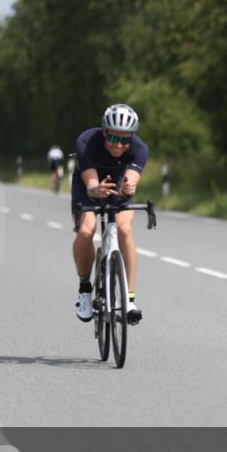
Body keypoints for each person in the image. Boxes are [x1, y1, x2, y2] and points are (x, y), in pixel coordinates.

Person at [71, 103, 149, 324]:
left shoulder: (139, 148)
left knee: (125, 229)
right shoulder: (87, 141)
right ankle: (85, 288)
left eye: (125, 140)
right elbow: (91, 182)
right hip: (89, 185)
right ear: (104, 132)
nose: (119, 145)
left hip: (117, 184)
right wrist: (95, 190)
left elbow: (132, 178)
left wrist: (128, 187)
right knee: (86, 231)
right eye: (114, 139)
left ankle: (130, 299)